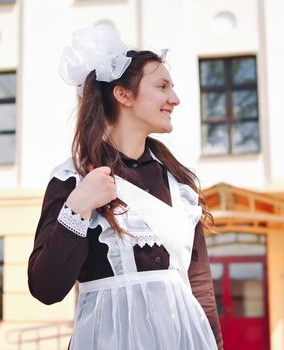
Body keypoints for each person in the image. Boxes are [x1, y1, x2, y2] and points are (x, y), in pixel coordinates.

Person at [28, 26, 223, 350]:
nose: (174, 99)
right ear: (123, 94)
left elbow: (199, 284)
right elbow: (46, 288)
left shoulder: (179, 183)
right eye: (162, 86)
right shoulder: (72, 179)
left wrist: (216, 345)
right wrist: (78, 207)